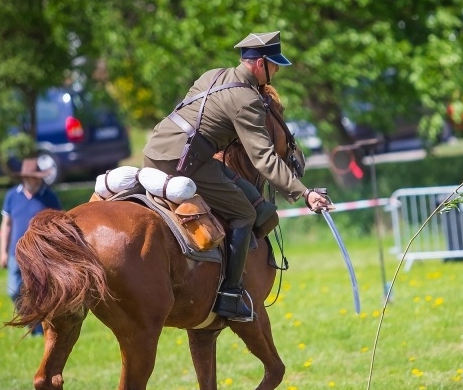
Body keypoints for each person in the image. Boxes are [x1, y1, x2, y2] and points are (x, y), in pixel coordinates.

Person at [142, 31, 332, 322]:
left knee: (239, 186)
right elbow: (264, 158)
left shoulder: (213, 75)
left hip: (156, 149)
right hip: (183, 163)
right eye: (274, 65)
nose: (277, 70)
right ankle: (230, 295)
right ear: (259, 64)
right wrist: (304, 193)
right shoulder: (247, 100)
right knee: (244, 212)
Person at [0, 158, 62, 335]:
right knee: (13, 291)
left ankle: (41, 327)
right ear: (25, 177)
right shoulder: (12, 196)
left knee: (40, 293)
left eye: (37, 177)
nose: (36, 180)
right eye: (32, 177)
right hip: (15, 253)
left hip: (39, 254)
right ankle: (31, 323)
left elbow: (58, 223)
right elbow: (6, 224)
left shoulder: (49, 197)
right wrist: (2, 252)